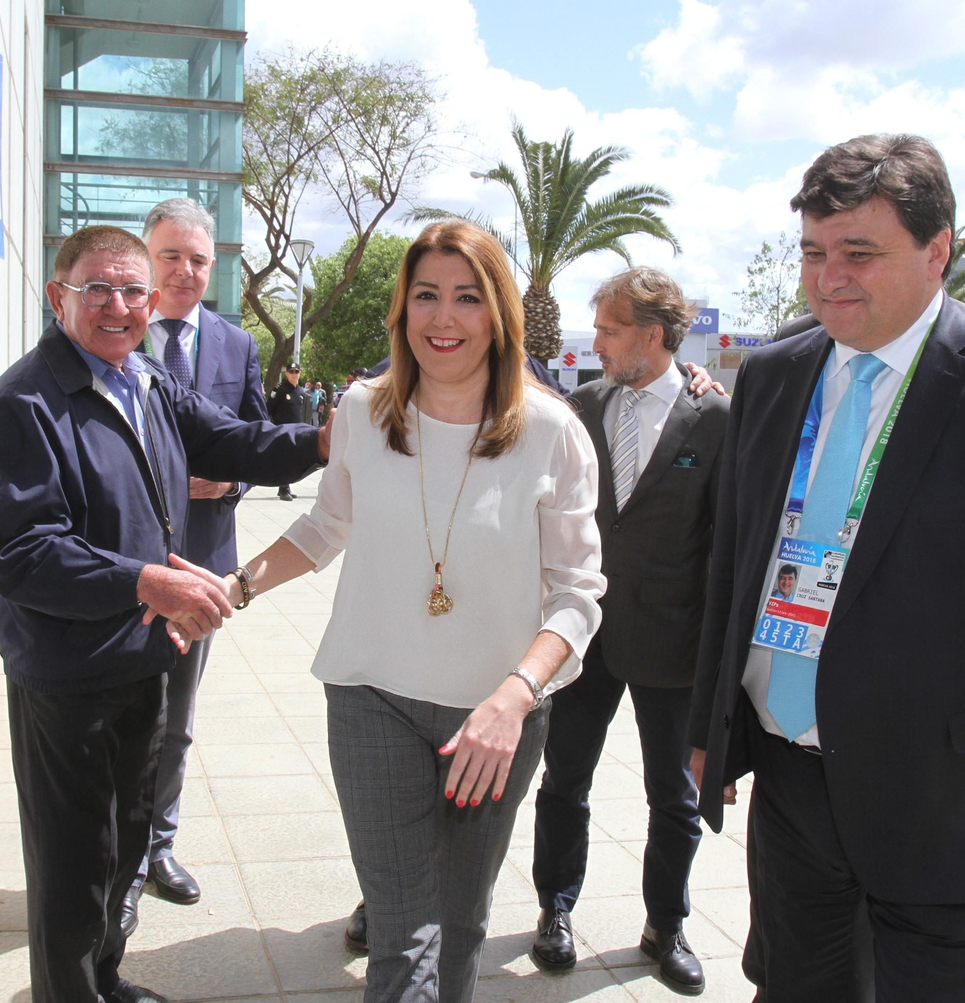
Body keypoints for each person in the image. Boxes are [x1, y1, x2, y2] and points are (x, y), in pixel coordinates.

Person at [687, 134, 965, 1002]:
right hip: (793, 784)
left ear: (938, 251)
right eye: (814, 253)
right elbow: (733, 567)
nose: (828, 278)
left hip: (951, 804)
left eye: (859, 253)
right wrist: (709, 728)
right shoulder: (772, 376)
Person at [221, 219, 605, 1003]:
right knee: (402, 933)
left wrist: (515, 694)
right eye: (425, 295)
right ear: (400, 311)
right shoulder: (363, 412)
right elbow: (325, 526)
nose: (443, 318)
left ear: (498, 313)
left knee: (460, 925)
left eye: (466, 298)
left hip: (494, 722)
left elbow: (578, 593)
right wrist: (237, 584)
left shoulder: (554, 432)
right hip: (372, 701)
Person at [0, 224, 327, 1003]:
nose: (119, 306)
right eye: (97, 288)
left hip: (146, 658)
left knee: (129, 837)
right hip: (69, 673)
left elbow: (235, 442)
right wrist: (145, 582)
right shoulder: (23, 405)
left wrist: (329, 439)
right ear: (58, 296)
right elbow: (24, 554)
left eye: (134, 290)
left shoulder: (147, 381)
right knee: (72, 860)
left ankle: (104, 976)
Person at [530, 267, 730, 994]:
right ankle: (555, 910)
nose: (599, 342)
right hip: (582, 638)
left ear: (652, 335)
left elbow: (726, 541)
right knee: (564, 782)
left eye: (611, 330)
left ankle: (664, 927)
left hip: (675, 645)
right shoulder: (582, 404)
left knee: (674, 799)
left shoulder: (714, 419)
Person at [121, 197, 270, 932]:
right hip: (120, 566)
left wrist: (231, 481)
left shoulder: (236, 346)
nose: (184, 271)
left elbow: (257, 435)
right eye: (170, 256)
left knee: (176, 718)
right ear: (146, 258)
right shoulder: (114, 332)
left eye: (199, 260)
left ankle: (158, 846)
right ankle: (113, 850)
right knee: (118, 716)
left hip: (203, 566)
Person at [269, 363, 310, 499]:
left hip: (297, 431)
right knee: (284, 459)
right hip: (283, 430)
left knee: (292, 460)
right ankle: (283, 488)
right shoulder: (280, 390)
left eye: (296, 372)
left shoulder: (300, 392)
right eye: (291, 372)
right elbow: (269, 409)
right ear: (286, 374)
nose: (294, 374)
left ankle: (286, 487)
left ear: (299, 374)